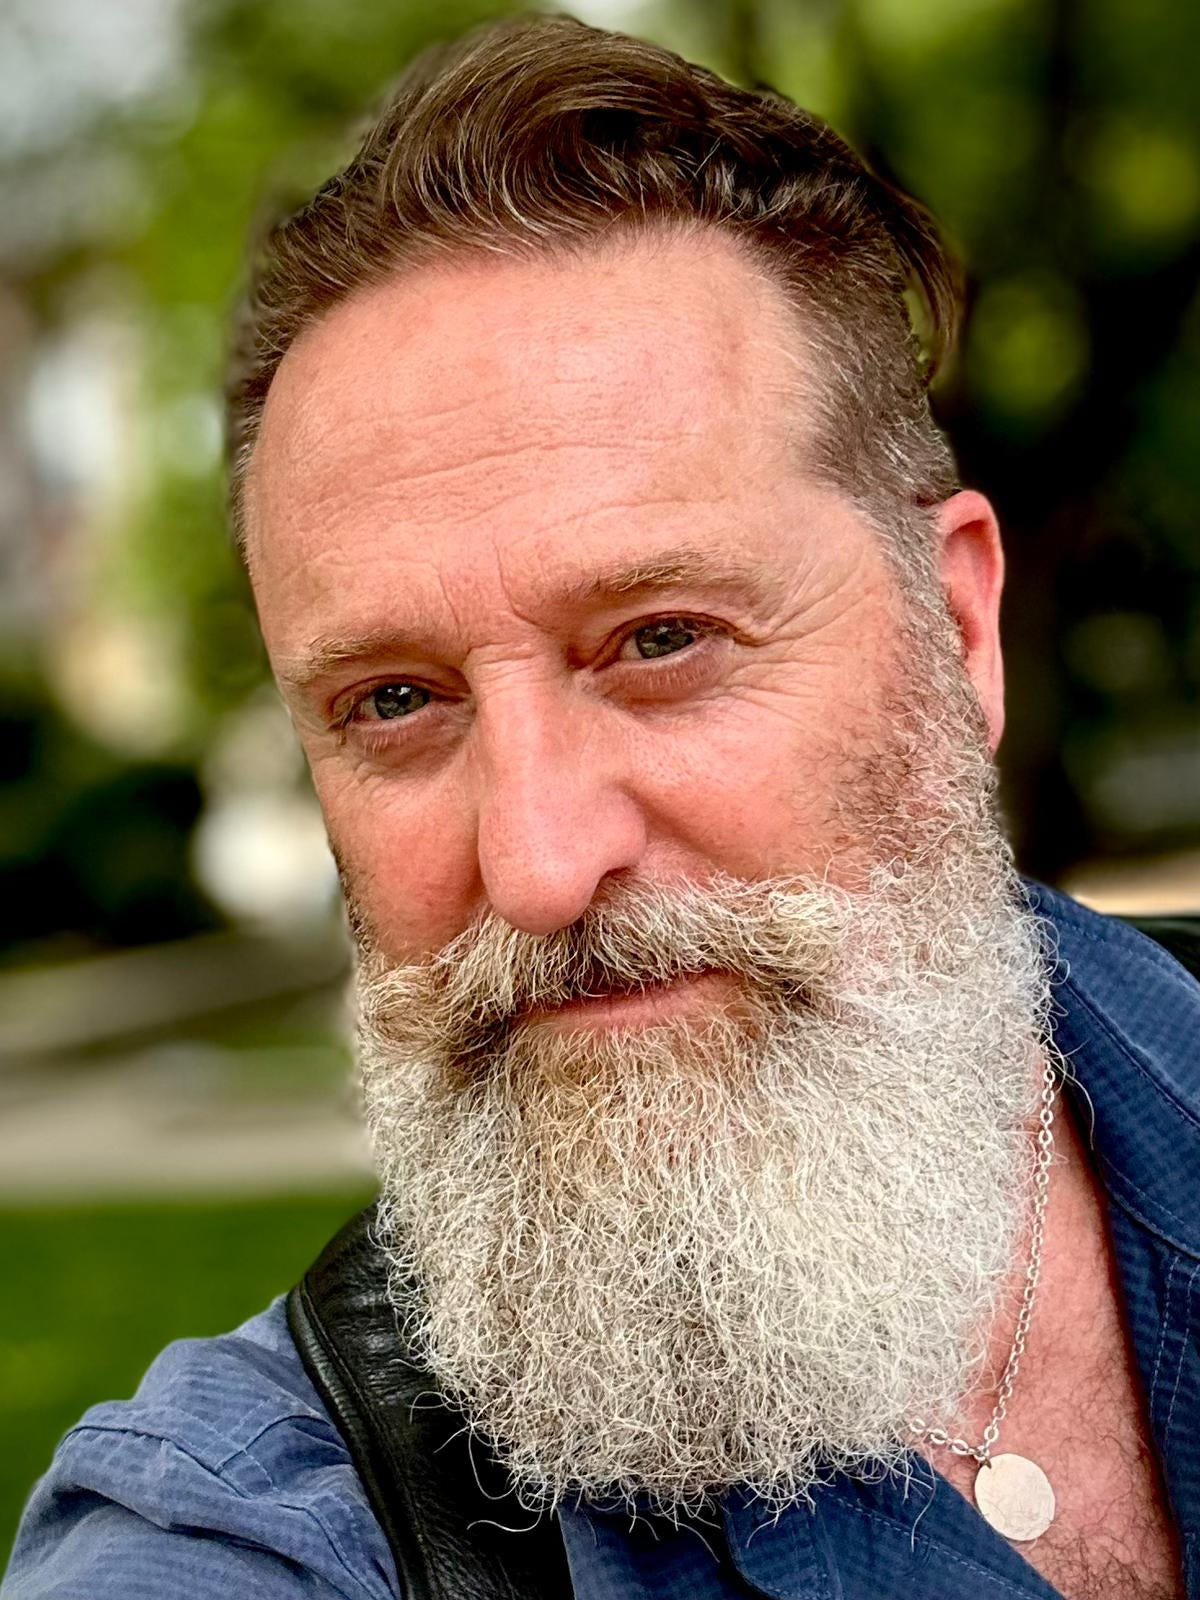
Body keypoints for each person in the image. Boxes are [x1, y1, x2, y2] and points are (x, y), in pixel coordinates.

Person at [5, 13, 1199, 1600]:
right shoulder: (258, 1529)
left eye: (658, 642)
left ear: (957, 632)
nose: (543, 860)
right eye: (397, 702)